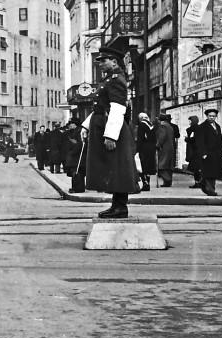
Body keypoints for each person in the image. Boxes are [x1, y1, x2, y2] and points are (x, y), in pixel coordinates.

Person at [81, 47, 141, 218]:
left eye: (103, 60)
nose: (100, 63)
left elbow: (117, 107)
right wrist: (86, 126)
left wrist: (111, 135)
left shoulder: (116, 79)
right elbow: (100, 107)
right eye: (99, 60)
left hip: (112, 129)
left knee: (118, 167)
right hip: (104, 126)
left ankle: (120, 206)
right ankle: (116, 205)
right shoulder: (109, 79)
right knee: (113, 167)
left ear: (114, 61)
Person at [197, 108, 222, 196]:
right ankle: (211, 190)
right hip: (208, 153)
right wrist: (203, 153)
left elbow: (220, 140)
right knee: (209, 172)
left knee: (214, 172)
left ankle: (204, 183)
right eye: (210, 116)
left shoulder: (217, 126)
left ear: (216, 117)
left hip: (216, 153)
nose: (212, 118)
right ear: (207, 116)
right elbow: (200, 141)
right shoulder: (202, 127)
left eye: (213, 116)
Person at [135, 112, 157, 191]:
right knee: (148, 166)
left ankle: (145, 183)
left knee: (142, 166)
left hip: (144, 148)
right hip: (151, 147)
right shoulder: (151, 125)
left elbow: (140, 138)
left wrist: (137, 149)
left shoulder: (142, 125)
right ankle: (147, 182)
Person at [64, 119, 85, 193]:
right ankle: (76, 188)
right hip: (76, 156)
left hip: (77, 156)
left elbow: (80, 143)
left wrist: (72, 152)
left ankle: (78, 188)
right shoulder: (76, 131)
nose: (69, 126)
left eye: (71, 124)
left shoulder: (78, 131)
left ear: (74, 124)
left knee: (77, 172)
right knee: (76, 172)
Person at [155, 114, 176, 187]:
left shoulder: (162, 126)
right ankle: (167, 182)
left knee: (162, 165)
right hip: (170, 147)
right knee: (168, 165)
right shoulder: (169, 126)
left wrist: (158, 145)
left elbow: (162, 137)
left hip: (164, 148)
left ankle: (167, 179)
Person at [185, 116, 202, 188]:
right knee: (198, 168)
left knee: (196, 168)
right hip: (197, 151)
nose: (189, 122)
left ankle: (198, 182)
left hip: (195, 151)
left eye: (190, 121)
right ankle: (199, 182)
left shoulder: (193, 129)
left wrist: (187, 139)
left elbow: (194, 139)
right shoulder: (200, 128)